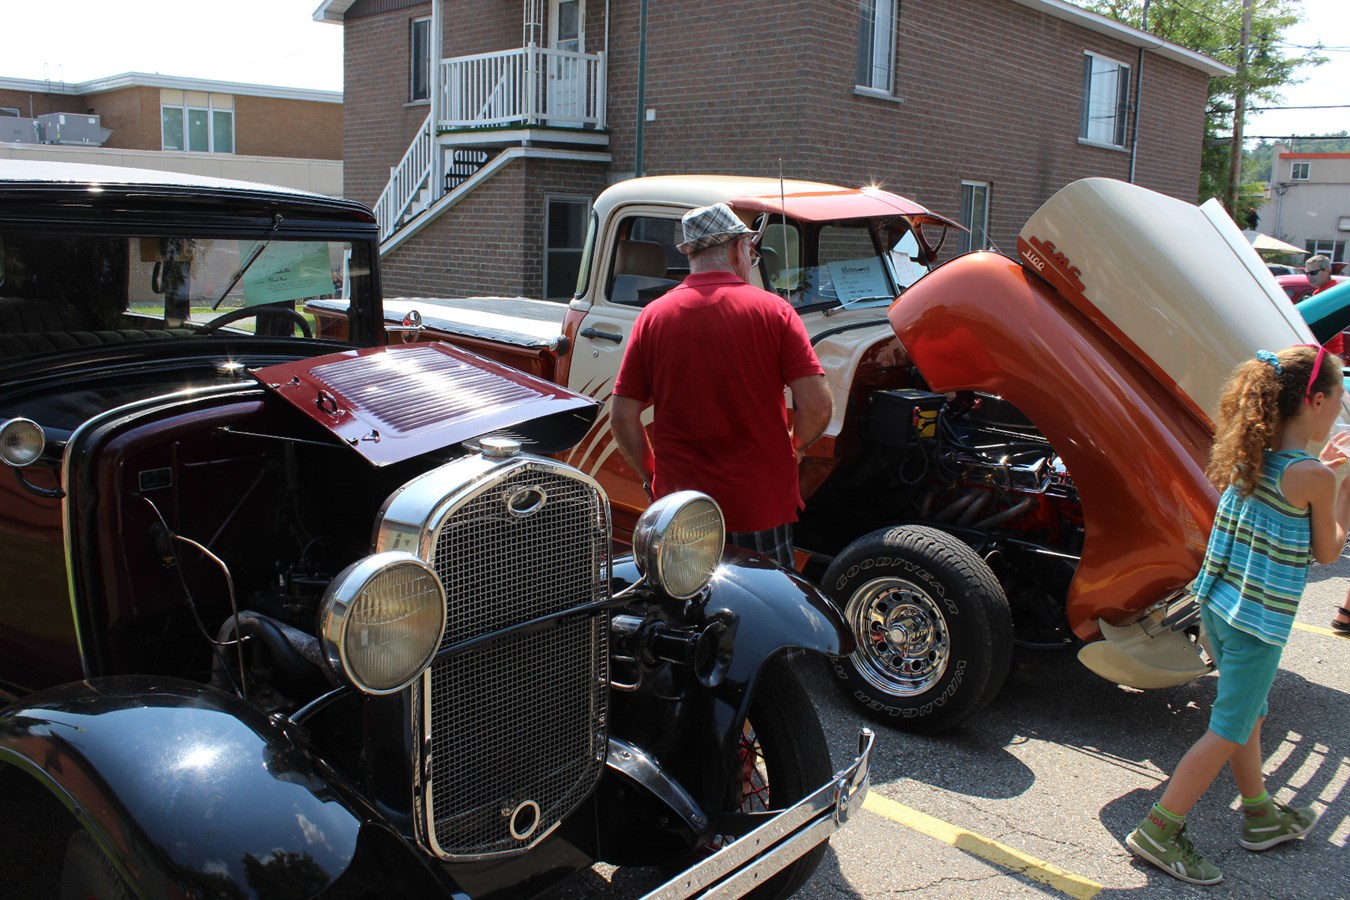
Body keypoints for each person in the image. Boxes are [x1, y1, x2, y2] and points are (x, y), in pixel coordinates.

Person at [1125, 344, 1350, 885]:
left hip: (1219, 607)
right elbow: (1328, 551)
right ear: (1316, 401)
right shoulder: (1312, 477)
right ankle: (1160, 829)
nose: (1342, 406)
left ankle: (1260, 814)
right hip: (1258, 624)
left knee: (1249, 716)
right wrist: (1342, 484)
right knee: (1227, 728)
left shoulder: (1249, 453)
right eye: (1339, 396)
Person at [610, 202, 833, 567]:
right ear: (735, 249)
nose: (750, 257)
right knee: (766, 613)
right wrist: (794, 446)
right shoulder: (775, 311)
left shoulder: (653, 317)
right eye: (750, 249)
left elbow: (622, 416)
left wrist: (652, 474)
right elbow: (817, 405)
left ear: (693, 254)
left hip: (682, 508)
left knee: (682, 615)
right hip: (760, 503)